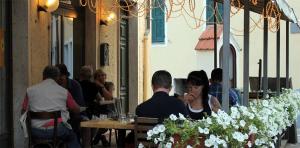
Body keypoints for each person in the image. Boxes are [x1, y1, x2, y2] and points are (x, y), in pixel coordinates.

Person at [21, 66, 81, 148]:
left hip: (34, 131)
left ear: (43, 76)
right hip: (57, 131)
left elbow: (23, 111)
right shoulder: (64, 92)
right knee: (72, 136)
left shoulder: (30, 90)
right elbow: (76, 110)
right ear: (57, 77)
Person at [78, 66, 110, 147]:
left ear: (80, 75)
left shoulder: (76, 84)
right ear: (91, 76)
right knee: (97, 121)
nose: (101, 77)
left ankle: (88, 141)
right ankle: (90, 141)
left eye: (102, 75)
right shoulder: (92, 86)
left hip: (76, 112)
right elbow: (100, 100)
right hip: (89, 113)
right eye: (99, 75)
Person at [55, 64, 84, 145]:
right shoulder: (54, 87)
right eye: (57, 77)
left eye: (61, 76)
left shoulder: (75, 85)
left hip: (74, 114)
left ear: (66, 75)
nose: (59, 79)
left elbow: (78, 106)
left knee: (76, 120)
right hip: (59, 117)